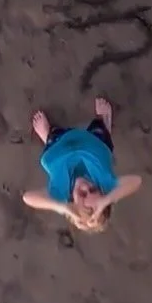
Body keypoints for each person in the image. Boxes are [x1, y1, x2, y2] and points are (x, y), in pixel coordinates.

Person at [22, 97, 142, 232]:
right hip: (93, 140)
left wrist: (63, 208)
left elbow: (28, 198)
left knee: (53, 136)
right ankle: (105, 121)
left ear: (71, 202)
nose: (85, 186)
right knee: (101, 130)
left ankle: (47, 134)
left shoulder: (61, 192)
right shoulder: (104, 183)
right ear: (102, 191)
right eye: (93, 189)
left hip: (60, 146)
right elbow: (136, 181)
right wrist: (106, 201)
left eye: (82, 194)